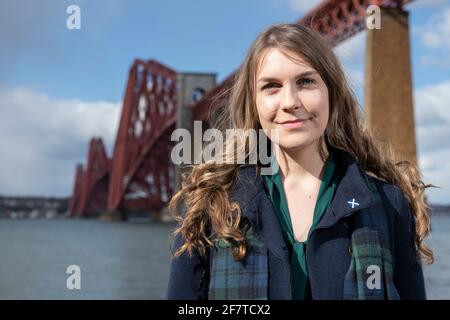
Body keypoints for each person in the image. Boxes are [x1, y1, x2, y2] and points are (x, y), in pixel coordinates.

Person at [166, 23, 434, 300]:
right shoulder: (210, 204)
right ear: (254, 103)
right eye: (271, 86)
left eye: (306, 82)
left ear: (332, 92)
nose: (290, 102)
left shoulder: (389, 202)